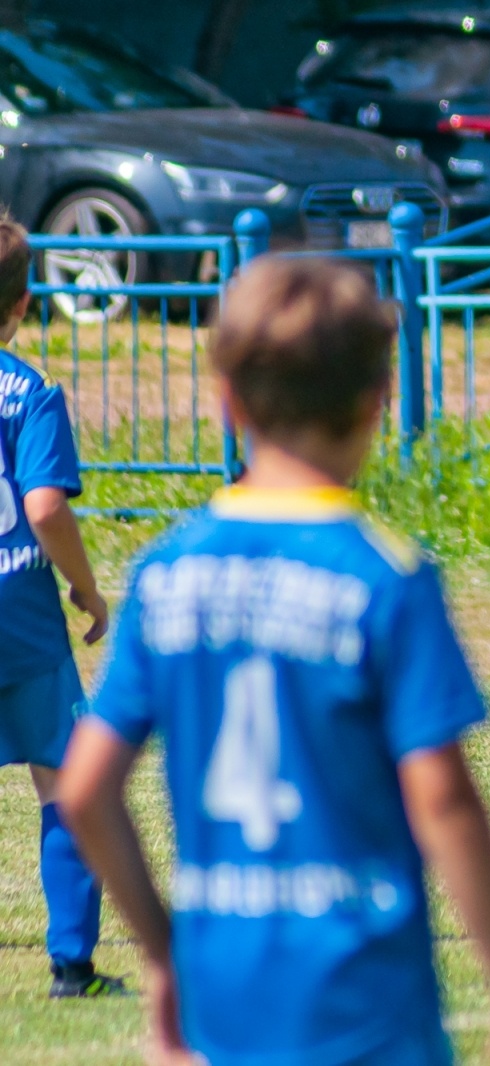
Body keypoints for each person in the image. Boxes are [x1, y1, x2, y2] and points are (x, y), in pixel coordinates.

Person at [57, 257, 490, 1065]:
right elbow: (442, 796)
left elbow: (84, 790)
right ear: (377, 401)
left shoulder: (165, 571)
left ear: (227, 400)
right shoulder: (386, 575)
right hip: (363, 1002)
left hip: (223, 1002)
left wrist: (164, 956)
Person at [0, 216, 125, 998]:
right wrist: (84, 584)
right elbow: (43, 507)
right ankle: (71, 964)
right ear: (22, 303)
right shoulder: (31, 391)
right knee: (66, 778)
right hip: (18, 613)